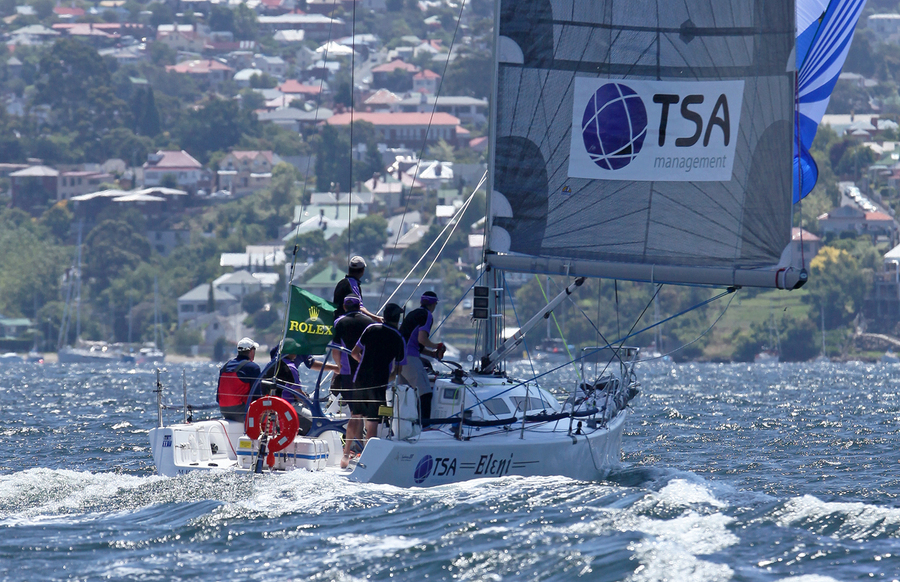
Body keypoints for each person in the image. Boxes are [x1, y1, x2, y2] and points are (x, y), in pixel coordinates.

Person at [346, 303, 406, 469]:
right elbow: (399, 368)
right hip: (378, 383)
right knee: (372, 422)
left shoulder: (371, 328)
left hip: (360, 378)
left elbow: (354, 353)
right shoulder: (398, 338)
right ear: (397, 319)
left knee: (355, 415)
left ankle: (345, 456)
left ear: (385, 316)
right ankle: (366, 460)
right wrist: (389, 377)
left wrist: (363, 363)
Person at [331, 295, 373, 466]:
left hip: (348, 373)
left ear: (344, 306)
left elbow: (335, 349)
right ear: (359, 306)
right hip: (368, 373)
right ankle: (364, 450)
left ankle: (347, 454)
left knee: (354, 413)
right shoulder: (369, 322)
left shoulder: (339, 322)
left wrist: (339, 367)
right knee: (367, 414)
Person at [399, 291, 445, 421]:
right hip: (410, 359)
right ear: (433, 304)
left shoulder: (413, 313)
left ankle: (402, 425)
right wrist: (438, 346)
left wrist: (432, 354)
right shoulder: (427, 315)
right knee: (425, 393)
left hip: (399, 358)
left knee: (404, 395)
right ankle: (424, 427)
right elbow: (422, 339)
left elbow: (415, 343)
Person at [217, 337, 262, 422]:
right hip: (241, 412)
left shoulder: (225, 367)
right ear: (251, 351)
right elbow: (257, 396)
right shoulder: (253, 367)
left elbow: (217, 397)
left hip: (224, 411)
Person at [333, 255, 382, 322]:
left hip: (337, 322)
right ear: (363, 271)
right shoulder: (352, 284)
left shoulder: (341, 283)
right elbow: (360, 308)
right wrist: (376, 318)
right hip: (348, 322)